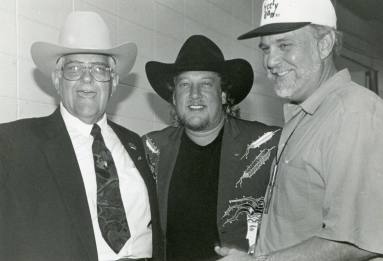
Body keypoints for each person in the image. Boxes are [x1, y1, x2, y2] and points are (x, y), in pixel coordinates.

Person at [215, 0, 383, 260]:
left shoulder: (354, 113)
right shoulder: (303, 114)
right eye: (265, 48)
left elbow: (360, 240)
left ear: (324, 44)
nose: (270, 61)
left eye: (284, 45)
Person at [0, 11, 162, 261]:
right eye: (74, 68)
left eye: (99, 69)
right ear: (57, 79)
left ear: (114, 81)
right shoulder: (14, 144)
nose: (87, 78)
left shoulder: (135, 144)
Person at [142, 35, 280, 261]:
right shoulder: (151, 149)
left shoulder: (267, 145)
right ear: (174, 97)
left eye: (206, 84)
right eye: (185, 84)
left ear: (224, 94)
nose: (194, 94)